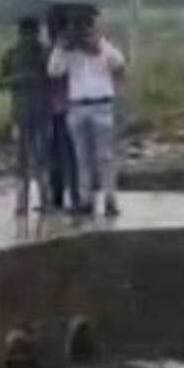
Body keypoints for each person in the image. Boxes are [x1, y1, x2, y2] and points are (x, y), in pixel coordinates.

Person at [47, 12, 127, 218]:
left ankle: (109, 199)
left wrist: (98, 44)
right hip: (78, 106)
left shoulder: (104, 48)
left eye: (86, 28)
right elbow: (54, 71)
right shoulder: (69, 52)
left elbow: (119, 63)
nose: (82, 33)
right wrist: (60, 47)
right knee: (83, 157)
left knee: (104, 157)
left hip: (100, 105)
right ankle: (87, 200)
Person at [0, 16, 55, 216]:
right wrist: (22, 78)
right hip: (26, 113)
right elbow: (0, 82)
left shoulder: (44, 54)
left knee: (39, 158)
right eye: (27, 35)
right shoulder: (11, 55)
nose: (29, 39)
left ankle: (42, 200)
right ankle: (24, 202)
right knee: (25, 159)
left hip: (37, 112)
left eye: (31, 35)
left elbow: (54, 76)